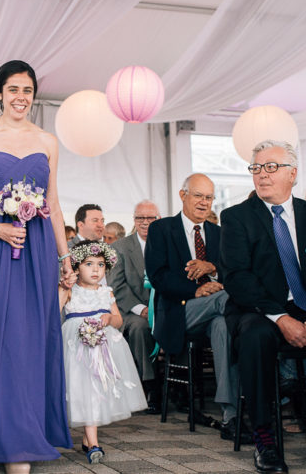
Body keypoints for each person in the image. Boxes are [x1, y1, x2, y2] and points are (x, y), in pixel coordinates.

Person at [0, 60, 73, 474]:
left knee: (35, 338)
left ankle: (26, 430)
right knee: (3, 339)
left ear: (33, 95)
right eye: (12, 89)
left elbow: (54, 205)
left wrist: (65, 258)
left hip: (37, 247)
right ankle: (11, 440)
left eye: (27, 90)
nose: (20, 97)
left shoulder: (47, 141)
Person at [220, 140, 306, 474]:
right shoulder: (236, 217)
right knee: (256, 337)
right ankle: (264, 434)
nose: (262, 175)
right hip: (258, 309)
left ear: (293, 174)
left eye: (271, 167)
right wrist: (281, 317)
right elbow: (237, 277)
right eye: (256, 168)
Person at [145, 174, 247, 443]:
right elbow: (158, 276)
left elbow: (234, 271)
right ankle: (258, 315)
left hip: (215, 312)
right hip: (179, 312)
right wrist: (196, 290)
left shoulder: (219, 233)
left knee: (223, 324)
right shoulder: (162, 229)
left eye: (209, 197)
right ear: (183, 195)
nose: (204, 202)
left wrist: (213, 268)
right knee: (227, 300)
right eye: (199, 195)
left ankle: (230, 416)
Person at [59, 240, 146, 464]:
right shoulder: (71, 291)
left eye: (100, 264)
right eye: (89, 264)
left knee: (96, 391)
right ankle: (93, 443)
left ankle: (89, 439)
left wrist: (108, 318)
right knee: (83, 390)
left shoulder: (106, 292)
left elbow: (118, 320)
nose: (96, 269)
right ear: (77, 267)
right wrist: (63, 288)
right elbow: (54, 310)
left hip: (104, 348)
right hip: (76, 347)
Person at [108, 200, 160, 412]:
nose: (145, 222)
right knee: (141, 327)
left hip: (163, 307)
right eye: (140, 218)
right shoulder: (119, 247)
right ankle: (150, 385)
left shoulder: (167, 243)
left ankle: (181, 386)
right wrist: (142, 309)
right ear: (134, 220)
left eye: (150, 218)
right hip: (132, 310)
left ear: (159, 220)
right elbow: (117, 286)